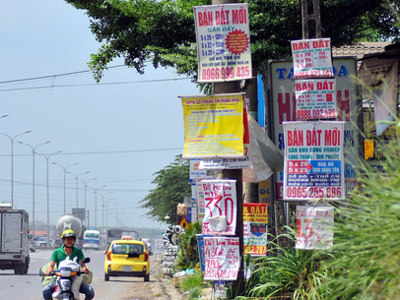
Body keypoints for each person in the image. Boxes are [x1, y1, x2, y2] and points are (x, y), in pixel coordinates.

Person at [42, 229, 95, 300]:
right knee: (45, 291)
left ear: (74, 240)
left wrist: (84, 269)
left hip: (75, 279)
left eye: (71, 239)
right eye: (67, 239)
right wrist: (48, 271)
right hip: (60, 279)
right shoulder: (57, 252)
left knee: (90, 291)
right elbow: (51, 265)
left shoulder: (78, 252)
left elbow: (82, 264)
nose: (70, 241)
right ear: (63, 240)